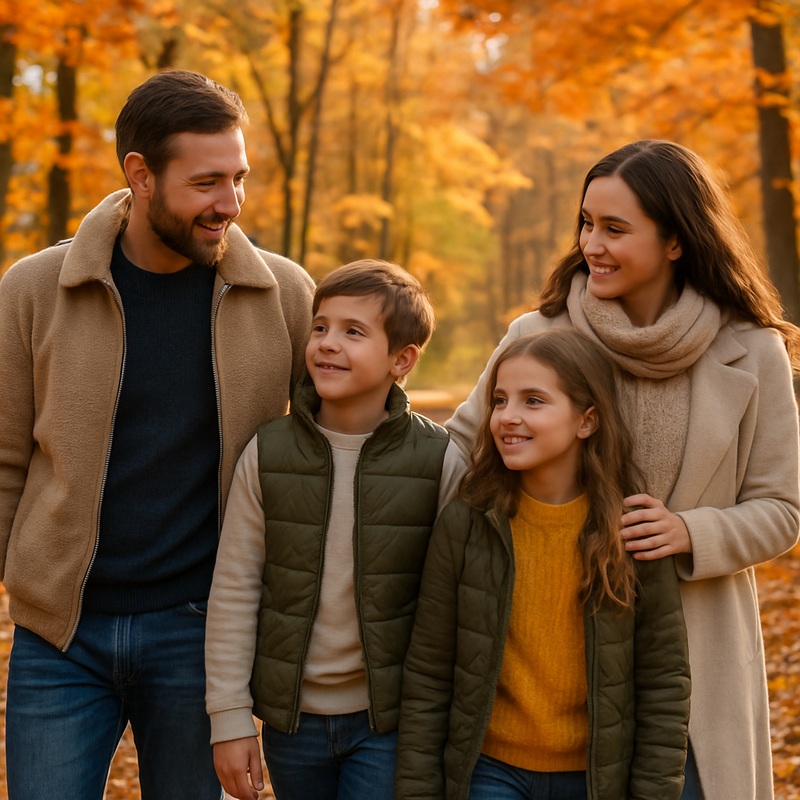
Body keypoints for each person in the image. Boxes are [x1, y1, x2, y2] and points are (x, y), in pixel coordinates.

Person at [445, 140, 800, 800]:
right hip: (549, 671)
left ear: (676, 240)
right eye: (586, 223)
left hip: (693, 668)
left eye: (615, 228)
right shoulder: (536, 335)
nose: (592, 244)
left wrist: (690, 532)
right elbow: (456, 460)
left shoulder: (752, 351)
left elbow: (782, 509)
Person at [0, 70, 314, 800]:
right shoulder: (34, 291)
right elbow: (6, 457)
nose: (230, 203)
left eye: (238, 178)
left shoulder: (284, 296)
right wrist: (22, 580)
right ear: (140, 175)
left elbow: (343, 448)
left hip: (202, 636)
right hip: (60, 636)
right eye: (207, 183)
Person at [205, 259, 463, 800]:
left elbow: (457, 603)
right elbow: (235, 588)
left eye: (353, 332)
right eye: (320, 327)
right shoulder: (268, 452)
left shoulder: (439, 460)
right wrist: (229, 718)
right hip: (291, 723)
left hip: (388, 723)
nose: (327, 343)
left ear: (402, 359)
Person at [395, 328, 691, 800]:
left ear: (586, 421)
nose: (507, 416)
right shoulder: (466, 524)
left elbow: (663, 684)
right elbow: (429, 673)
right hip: (489, 772)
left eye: (533, 401)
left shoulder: (632, 530)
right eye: (499, 400)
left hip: (593, 779)